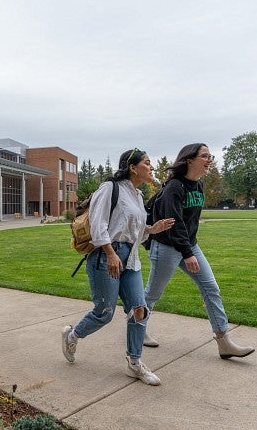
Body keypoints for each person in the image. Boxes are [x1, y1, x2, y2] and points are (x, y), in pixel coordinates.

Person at [61, 148, 175, 386]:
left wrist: (152, 229)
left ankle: (134, 363)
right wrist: (111, 254)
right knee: (104, 313)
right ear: (133, 167)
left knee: (139, 309)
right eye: (147, 163)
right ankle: (72, 335)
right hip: (106, 255)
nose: (151, 167)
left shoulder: (138, 195)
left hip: (130, 258)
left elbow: (133, 233)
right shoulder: (109, 188)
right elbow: (98, 225)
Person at [143, 143, 255, 359]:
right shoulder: (175, 187)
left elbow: (190, 221)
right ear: (189, 160)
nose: (209, 159)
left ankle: (224, 342)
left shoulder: (199, 185)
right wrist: (187, 253)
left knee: (211, 288)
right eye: (205, 156)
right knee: (152, 294)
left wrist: (189, 248)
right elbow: (174, 224)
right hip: (167, 247)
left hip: (189, 245)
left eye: (210, 155)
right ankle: (137, 329)